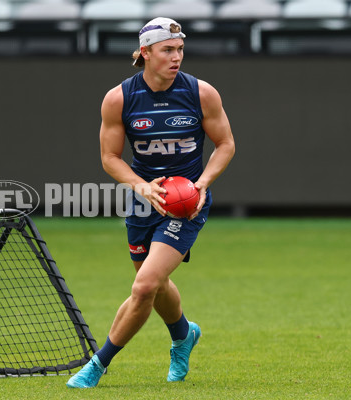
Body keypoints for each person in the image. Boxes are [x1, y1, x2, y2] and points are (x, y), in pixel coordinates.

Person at [66, 17, 236, 388]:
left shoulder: (201, 93)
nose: (176, 57)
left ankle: (97, 364)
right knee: (154, 284)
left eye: (180, 50)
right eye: (167, 50)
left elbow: (226, 144)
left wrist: (203, 183)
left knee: (144, 287)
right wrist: (141, 187)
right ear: (145, 53)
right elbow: (110, 157)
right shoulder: (120, 98)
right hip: (144, 201)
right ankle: (183, 334)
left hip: (187, 202)